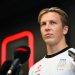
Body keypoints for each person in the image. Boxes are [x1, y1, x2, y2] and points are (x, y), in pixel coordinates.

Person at [28, 7, 75, 75]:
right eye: (43, 24)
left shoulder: (73, 57)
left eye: (52, 23)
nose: (47, 28)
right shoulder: (34, 69)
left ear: (64, 30)